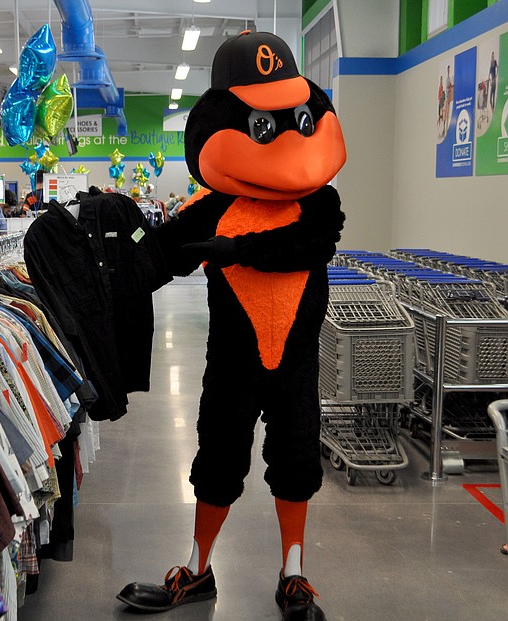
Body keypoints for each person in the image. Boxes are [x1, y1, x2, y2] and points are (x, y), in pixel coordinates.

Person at [117, 31, 347, 620]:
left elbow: (308, 245)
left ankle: (293, 573)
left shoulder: (319, 203)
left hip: (294, 361)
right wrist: (107, 249)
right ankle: (196, 569)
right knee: (218, 456)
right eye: (262, 124)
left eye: (296, 118)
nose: (285, 139)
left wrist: (236, 250)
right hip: (233, 361)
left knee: (296, 458)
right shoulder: (215, 205)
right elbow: (163, 253)